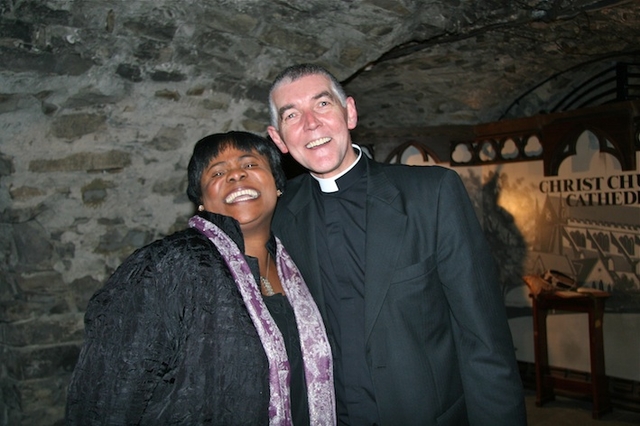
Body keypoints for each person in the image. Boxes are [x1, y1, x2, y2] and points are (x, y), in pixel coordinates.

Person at [266, 64, 527, 426]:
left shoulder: (432, 194)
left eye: (322, 104)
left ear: (350, 112)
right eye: (291, 115)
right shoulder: (276, 215)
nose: (311, 124)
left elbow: (483, 337)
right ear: (278, 138)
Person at [65, 131, 336, 425]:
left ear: (277, 184)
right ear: (202, 201)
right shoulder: (168, 265)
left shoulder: (299, 265)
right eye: (217, 172)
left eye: (249, 165)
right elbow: (108, 394)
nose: (235, 176)